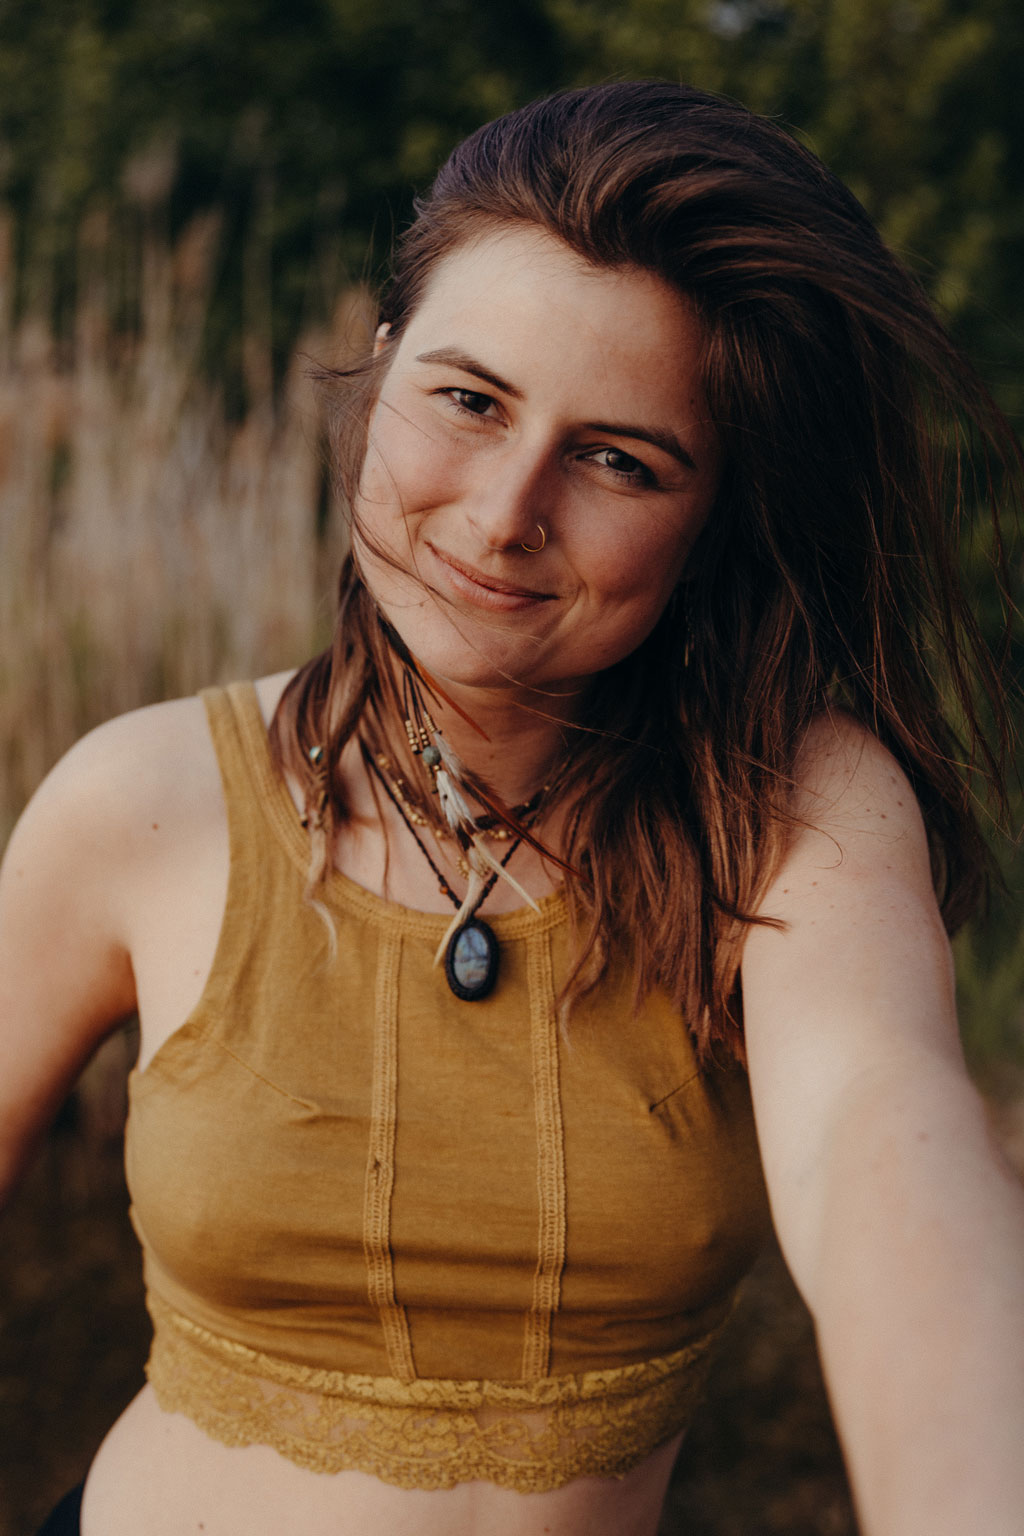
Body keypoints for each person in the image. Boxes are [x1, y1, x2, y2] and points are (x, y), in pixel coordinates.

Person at [2, 79, 1023, 1536]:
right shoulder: (141, 799)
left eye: (619, 458)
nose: (501, 512)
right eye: (468, 400)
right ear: (379, 369)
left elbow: (883, 1129)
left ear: (714, 511)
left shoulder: (792, 809)